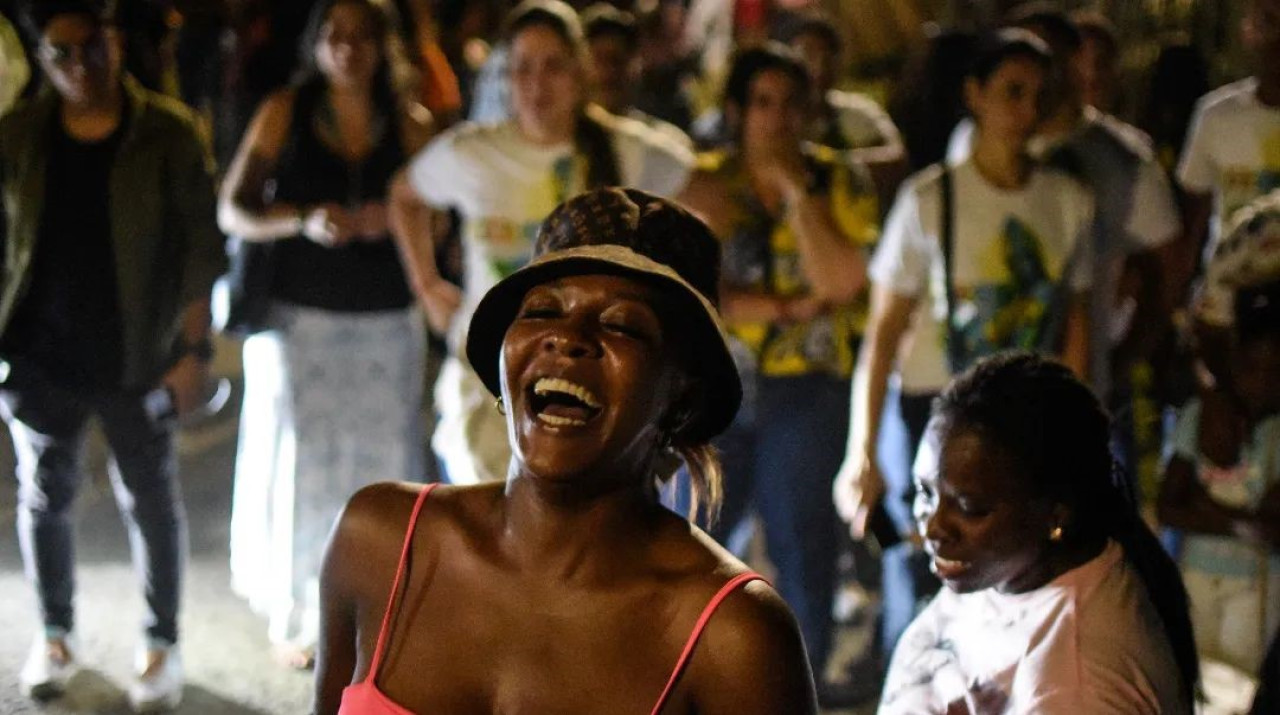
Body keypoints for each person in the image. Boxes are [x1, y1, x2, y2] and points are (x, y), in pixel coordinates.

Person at [314, 187, 818, 714]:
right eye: (542, 311)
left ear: (681, 394)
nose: (567, 338)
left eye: (622, 324)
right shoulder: (380, 541)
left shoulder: (733, 637)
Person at [834, 29, 1094, 660]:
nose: (1026, 110)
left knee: (1016, 592)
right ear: (974, 95)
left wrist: (1076, 432)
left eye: (1038, 94)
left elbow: (1074, 323)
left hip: (1024, 419)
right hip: (935, 411)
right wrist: (862, 450)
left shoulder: (1067, 200)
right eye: (1011, 91)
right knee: (926, 588)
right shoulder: (930, 199)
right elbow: (883, 336)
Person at [0, 0, 225, 708]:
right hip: (40, 351)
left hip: (140, 348)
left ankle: (161, 642)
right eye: (60, 54)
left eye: (90, 48)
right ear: (42, 60)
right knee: (45, 494)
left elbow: (199, 250)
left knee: (152, 497)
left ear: (115, 43)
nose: (78, 68)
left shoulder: (167, 131)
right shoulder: (19, 135)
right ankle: (56, 631)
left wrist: (196, 349)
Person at [389, 0, 693, 486]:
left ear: (580, 71)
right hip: (487, 379)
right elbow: (404, 195)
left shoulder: (626, 149)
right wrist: (426, 285)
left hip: (588, 384)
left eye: (553, 66)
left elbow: (701, 193)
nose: (537, 84)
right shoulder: (474, 153)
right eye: (523, 68)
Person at [216, 0, 433, 669]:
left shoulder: (413, 120)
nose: (348, 48)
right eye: (335, 35)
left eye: (362, 36)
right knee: (299, 464)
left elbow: (440, 218)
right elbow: (234, 208)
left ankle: (382, 611)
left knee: (383, 465)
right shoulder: (285, 110)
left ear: (382, 46)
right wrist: (303, 218)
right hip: (298, 319)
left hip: (385, 319)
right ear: (316, 44)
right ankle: (301, 613)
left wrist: (389, 223)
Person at [677, 42, 877, 677]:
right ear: (736, 110)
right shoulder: (704, 181)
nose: (778, 118)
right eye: (762, 102)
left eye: (792, 103)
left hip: (809, 386)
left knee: (803, 546)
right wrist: (790, 309)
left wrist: (796, 193)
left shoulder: (837, 180)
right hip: (715, 384)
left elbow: (843, 280)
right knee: (690, 542)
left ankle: (800, 685)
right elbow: (697, 293)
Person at [881, 351, 1197, 714]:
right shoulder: (1005, 566)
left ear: (1053, 515)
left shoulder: (1074, 688)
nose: (934, 527)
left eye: (970, 508)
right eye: (926, 493)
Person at [1158, 280, 1280, 674]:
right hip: (1195, 577)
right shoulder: (1199, 416)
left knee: (1242, 681)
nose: (1261, 383)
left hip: (1255, 588)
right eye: (1251, 368)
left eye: (1275, 373)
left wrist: (1204, 506)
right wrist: (1240, 524)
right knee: (1193, 679)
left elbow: (1272, 529)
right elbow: (1167, 508)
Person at [1178, 0, 1280, 266]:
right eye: (1268, 22)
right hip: (1230, 285)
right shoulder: (1216, 115)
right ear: (1247, 31)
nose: (1276, 38)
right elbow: (1192, 214)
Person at [581, 3, 690, 149]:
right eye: (599, 59)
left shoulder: (666, 145)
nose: (608, 71)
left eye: (617, 60)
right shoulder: (556, 142)